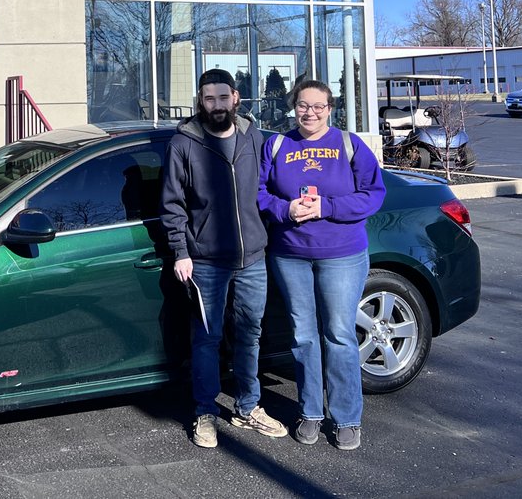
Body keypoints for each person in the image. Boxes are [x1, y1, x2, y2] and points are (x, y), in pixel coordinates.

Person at [160, 68, 288, 449]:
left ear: (236, 97)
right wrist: (181, 252)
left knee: (250, 334)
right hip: (206, 262)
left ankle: (249, 407)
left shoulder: (254, 136)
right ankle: (205, 413)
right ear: (201, 101)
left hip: (252, 258)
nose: (215, 105)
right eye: (208, 99)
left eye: (222, 97)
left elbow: (269, 189)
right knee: (206, 339)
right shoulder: (184, 143)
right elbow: (172, 204)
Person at [257, 79, 385, 451]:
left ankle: (346, 417)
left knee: (339, 335)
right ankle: (310, 411)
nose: (309, 112)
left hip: (342, 255)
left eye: (318, 106)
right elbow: (259, 192)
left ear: (330, 109)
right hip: (290, 254)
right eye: (302, 105)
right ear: (293, 107)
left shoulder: (348, 144)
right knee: (302, 336)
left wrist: (326, 207)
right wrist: (285, 209)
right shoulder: (278, 145)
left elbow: (373, 195)